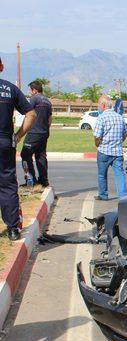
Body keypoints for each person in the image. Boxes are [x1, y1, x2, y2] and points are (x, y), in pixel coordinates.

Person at [0, 56, 36, 241]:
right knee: (7, 186)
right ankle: (13, 228)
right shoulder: (10, 89)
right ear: (1, 67)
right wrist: (18, 135)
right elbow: (31, 114)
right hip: (5, 142)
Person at [93, 96, 127, 201]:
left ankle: (103, 195)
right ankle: (123, 197)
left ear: (103, 106)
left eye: (99, 105)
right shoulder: (120, 117)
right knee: (119, 174)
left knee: (102, 174)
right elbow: (125, 134)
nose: (98, 107)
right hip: (117, 152)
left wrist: (97, 144)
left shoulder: (101, 117)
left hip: (104, 150)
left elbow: (97, 136)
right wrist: (119, 142)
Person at [21, 80, 52, 187]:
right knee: (41, 156)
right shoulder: (48, 101)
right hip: (44, 132)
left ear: (34, 90)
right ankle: (44, 181)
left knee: (25, 155)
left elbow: (29, 114)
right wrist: (45, 130)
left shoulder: (34, 99)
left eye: (30, 90)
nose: (30, 92)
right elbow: (50, 119)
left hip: (34, 132)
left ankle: (31, 180)